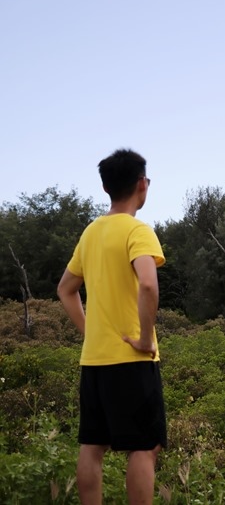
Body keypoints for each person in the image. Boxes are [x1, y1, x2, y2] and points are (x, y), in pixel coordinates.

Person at [57, 149, 166, 505]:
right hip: (132, 360)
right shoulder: (138, 230)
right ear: (142, 185)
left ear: (106, 187)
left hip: (94, 361)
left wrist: (90, 332)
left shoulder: (91, 233)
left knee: (92, 446)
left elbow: (66, 289)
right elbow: (149, 284)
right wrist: (145, 339)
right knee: (144, 447)